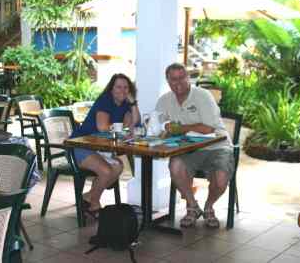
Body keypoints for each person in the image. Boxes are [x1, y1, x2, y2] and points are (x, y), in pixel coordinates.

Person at [155, 63, 234, 228]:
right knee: (175, 166)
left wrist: (179, 128)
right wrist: (161, 128)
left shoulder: (203, 96)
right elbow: (158, 126)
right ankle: (192, 207)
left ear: (188, 77)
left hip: (217, 146)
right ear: (168, 81)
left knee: (220, 179)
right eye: (173, 79)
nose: (178, 82)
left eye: (181, 78)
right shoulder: (164, 100)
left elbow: (208, 128)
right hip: (188, 149)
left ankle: (209, 206)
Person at [71, 73, 140, 218]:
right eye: (119, 87)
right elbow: (102, 127)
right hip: (80, 145)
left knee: (118, 166)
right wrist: (123, 127)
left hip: (99, 147)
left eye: (126, 87)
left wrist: (133, 104)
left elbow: (134, 122)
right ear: (111, 89)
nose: (122, 91)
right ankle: (94, 204)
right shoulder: (105, 100)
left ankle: (87, 198)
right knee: (106, 171)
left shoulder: (125, 103)